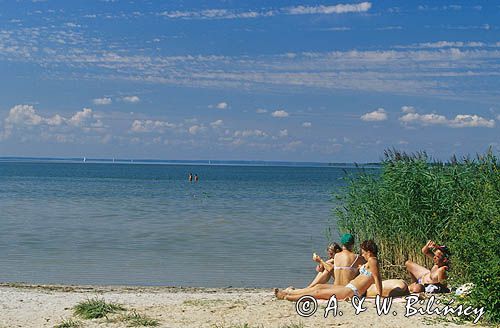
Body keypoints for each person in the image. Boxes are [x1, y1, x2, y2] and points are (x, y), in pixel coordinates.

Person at [276, 240, 386, 301]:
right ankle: (289, 292)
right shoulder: (370, 262)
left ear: (369, 252)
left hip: (351, 292)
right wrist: (361, 268)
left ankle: (287, 297)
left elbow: (377, 278)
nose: (362, 254)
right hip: (348, 287)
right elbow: (369, 275)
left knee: (318, 293)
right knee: (318, 287)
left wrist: (380, 296)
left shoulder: (373, 261)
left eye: (363, 252)